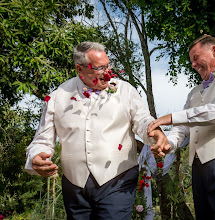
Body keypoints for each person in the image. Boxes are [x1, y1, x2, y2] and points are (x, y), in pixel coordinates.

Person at [25, 41, 169, 219]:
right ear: (79, 69)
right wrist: (36, 156)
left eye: (108, 65)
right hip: (74, 186)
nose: (108, 72)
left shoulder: (125, 91)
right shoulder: (57, 97)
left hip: (118, 181)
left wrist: (154, 133)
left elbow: (142, 120)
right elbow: (42, 140)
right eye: (100, 68)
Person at [148, 34, 215, 219]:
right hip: (198, 169)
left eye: (196, 58)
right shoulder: (194, 92)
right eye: (191, 61)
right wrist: (169, 144)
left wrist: (171, 117)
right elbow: (183, 128)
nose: (193, 64)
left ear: (214, 50)